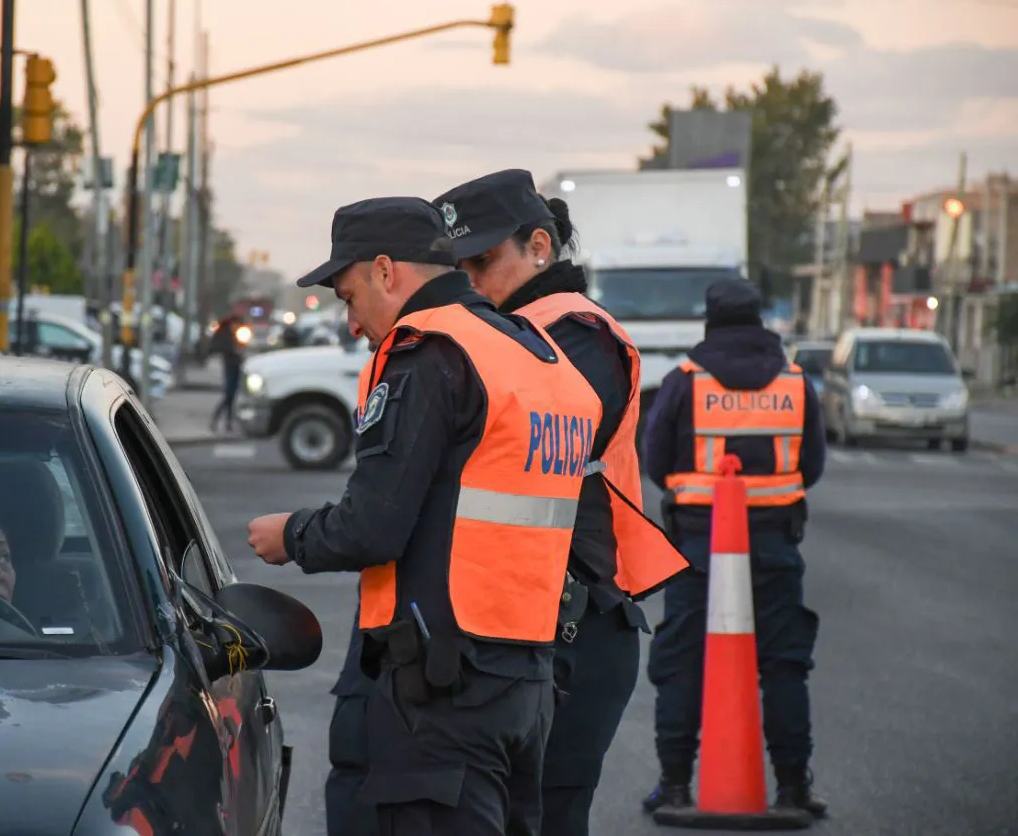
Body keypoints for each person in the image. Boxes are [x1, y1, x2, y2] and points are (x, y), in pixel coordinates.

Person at [246, 196, 602, 836]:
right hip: (528, 678)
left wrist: (290, 535)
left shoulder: (430, 352)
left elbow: (372, 527)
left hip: (446, 690)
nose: (352, 323)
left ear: (386, 271)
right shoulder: (536, 354)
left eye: (349, 297)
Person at [432, 169, 690, 835]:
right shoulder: (501, 328)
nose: (469, 280)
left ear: (540, 246)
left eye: (483, 261)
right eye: (457, 267)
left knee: (545, 816)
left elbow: (505, 438)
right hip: (523, 623)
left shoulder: (577, 332)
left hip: (578, 627)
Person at [641, 277, 828, 818]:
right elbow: (812, 465)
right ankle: (792, 788)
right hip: (774, 545)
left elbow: (656, 459)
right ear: (760, 319)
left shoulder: (684, 381)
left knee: (682, 661)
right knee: (784, 665)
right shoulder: (795, 383)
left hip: (699, 545)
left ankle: (675, 784)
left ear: (711, 321)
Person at [208, 313, 247, 433]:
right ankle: (216, 419)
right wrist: (235, 351)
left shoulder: (234, 333)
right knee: (229, 395)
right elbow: (222, 347)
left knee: (231, 396)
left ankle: (227, 423)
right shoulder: (225, 332)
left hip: (235, 364)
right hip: (230, 365)